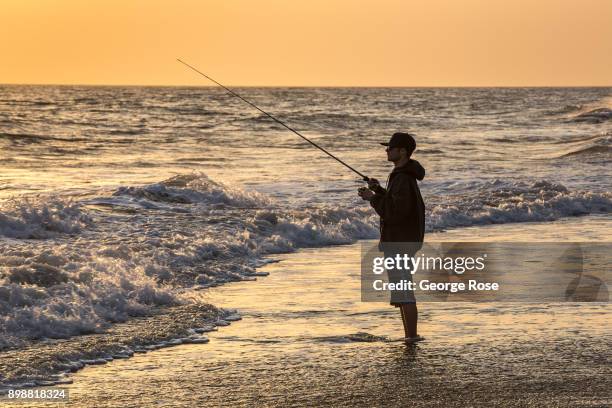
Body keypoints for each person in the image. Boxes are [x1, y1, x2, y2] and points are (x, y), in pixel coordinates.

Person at [358, 132, 426, 343]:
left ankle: (412, 337)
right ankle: (409, 336)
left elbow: (396, 212)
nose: (386, 150)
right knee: (401, 290)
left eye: (390, 148)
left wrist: (372, 199)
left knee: (404, 289)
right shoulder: (402, 175)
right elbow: (396, 202)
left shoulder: (404, 177)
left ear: (402, 151)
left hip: (400, 241)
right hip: (402, 239)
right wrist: (378, 190)